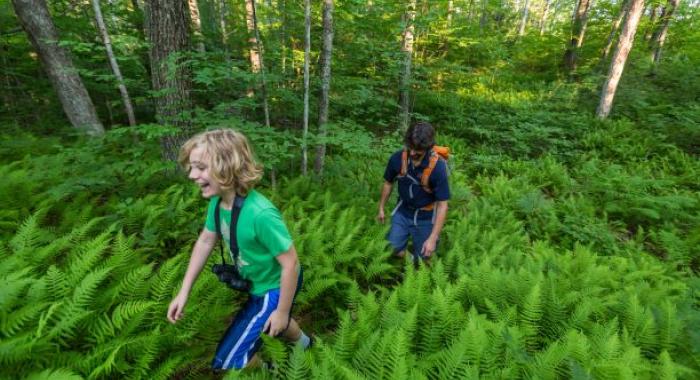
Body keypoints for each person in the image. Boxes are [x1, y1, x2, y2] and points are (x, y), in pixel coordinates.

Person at [167, 129, 311, 370]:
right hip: (258, 283)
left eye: (200, 168)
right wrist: (184, 292)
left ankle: (271, 373)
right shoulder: (217, 203)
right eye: (191, 167)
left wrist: (282, 311)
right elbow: (205, 241)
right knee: (274, 322)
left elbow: (291, 264)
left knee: (228, 361)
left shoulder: (260, 214)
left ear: (227, 166)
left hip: (274, 287)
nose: (192, 175)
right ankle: (306, 345)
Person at [377, 121, 450, 263]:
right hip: (403, 211)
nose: (411, 153)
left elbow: (442, 205)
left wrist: (433, 238)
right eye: (410, 147)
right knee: (391, 248)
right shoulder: (397, 159)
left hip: (426, 216)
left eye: (417, 151)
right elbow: (388, 183)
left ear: (428, 148)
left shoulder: (437, 168)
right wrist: (381, 208)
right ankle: (410, 260)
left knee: (425, 257)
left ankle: (419, 267)